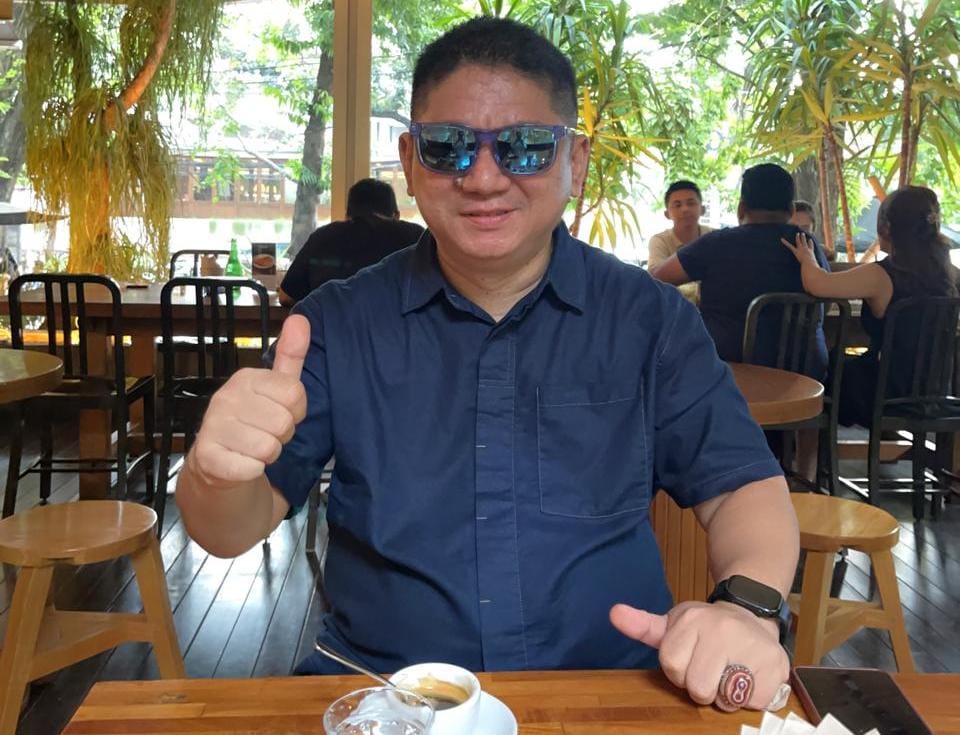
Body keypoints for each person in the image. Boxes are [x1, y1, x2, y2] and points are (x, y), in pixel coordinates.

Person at [177, 17, 797, 714]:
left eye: (525, 147)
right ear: (411, 160)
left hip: (606, 694)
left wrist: (746, 608)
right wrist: (213, 473)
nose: (482, 177)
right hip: (387, 700)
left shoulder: (648, 320)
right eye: (448, 146)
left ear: (575, 160)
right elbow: (228, 530)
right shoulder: (335, 326)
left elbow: (743, 487)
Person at [783, 185, 959, 427]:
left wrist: (808, 257)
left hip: (887, 392)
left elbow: (818, 284)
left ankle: (810, 447)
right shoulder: (949, 274)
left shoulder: (882, 275)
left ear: (886, 227)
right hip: (938, 391)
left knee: (822, 364)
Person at [651, 164, 831, 373]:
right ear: (791, 210)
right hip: (805, 372)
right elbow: (825, 303)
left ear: (741, 208)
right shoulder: (807, 244)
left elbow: (656, 278)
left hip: (727, 370)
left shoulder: (716, 243)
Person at [277, 178, 424, 305]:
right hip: (399, 328)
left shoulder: (323, 237)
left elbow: (286, 297)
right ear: (396, 215)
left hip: (332, 328)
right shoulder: (416, 236)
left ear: (347, 215)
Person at [647, 180, 713, 270]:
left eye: (691, 203)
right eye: (677, 205)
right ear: (667, 214)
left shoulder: (714, 237)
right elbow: (655, 274)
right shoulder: (660, 241)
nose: (685, 209)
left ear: (703, 209)